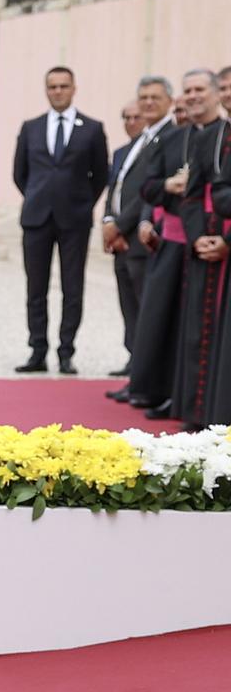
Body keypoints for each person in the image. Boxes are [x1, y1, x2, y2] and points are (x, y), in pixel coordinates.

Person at [10, 67, 107, 374]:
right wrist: (39, 196)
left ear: (74, 88)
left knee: (72, 287)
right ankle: (37, 349)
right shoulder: (32, 128)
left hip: (74, 219)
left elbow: (100, 176)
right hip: (37, 218)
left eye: (64, 86)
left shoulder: (91, 128)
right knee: (35, 288)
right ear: (46, 90)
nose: (58, 91)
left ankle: (66, 351)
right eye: (52, 86)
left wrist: (80, 202)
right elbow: (20, 173)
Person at [159, 69, 231, 426]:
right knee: (198, 332)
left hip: (226, 241)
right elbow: (191, 197)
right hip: (207, 241)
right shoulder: (210, 138)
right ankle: (200, 412)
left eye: (200, 89)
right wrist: (198, 236)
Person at [122, 76, 184, 413]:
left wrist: (134, 221)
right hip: (148, 233)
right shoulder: (147, 137)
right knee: (142, 314)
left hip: (171, 237)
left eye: (154, 97)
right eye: (141, 96)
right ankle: (141, 377)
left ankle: (157, 385)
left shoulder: (172, 134)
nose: (146, 103)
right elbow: (144, 185)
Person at [102, 100, 150, 384]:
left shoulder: (152, 150)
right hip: (118, 238)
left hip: (136, 238)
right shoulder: (122, 152)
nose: (131, 121)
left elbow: (143, 195)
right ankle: (132, 356)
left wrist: (120, 226)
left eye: (136, 116)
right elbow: (113, 190)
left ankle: (144, 364)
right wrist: (108, 222)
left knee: (143, 302)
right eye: (126, 117)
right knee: (126, 302)